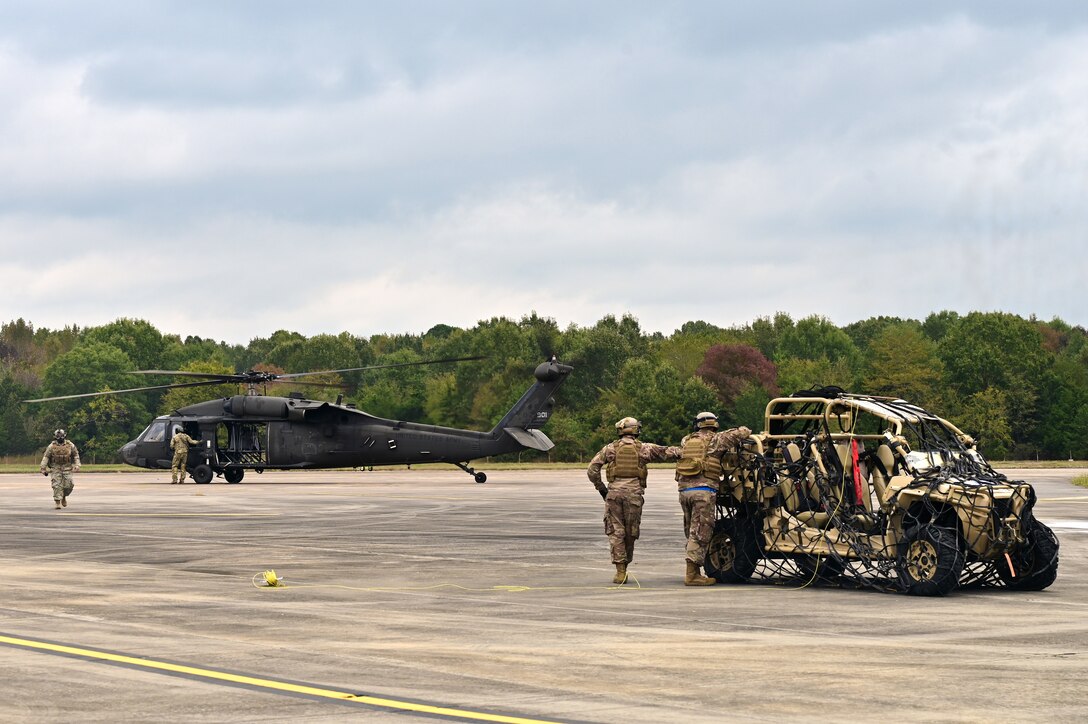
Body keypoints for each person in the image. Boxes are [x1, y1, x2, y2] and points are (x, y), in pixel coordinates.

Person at [587, 417, 681, 584]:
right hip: (634, 496)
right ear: (636, 430)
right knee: (631, 532)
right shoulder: (644, 448)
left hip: (614, 495)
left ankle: (620, 570)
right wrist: (688, 450)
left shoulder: (610, 449)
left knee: (616, 532)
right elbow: (667, 452)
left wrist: (601, 488)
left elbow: (592, 469)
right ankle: (625, 563)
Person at [674, 412, 751, 586]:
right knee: (700, 533)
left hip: (685, 491)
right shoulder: (717, 439)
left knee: (691, 530)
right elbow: (743, 432)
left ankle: (694, 571)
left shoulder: (687, 440)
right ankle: (692, 575)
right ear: (714, 425)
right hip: (703, 492)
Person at [40, 429, 80, 509]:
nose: (60, 437)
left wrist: (77, 465)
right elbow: (46, 457)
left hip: (67, 468)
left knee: (69, 485)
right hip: (56, 468)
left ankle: (64, 496)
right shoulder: (51, 446)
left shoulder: (70, 445)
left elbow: (75, 455)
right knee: (56, 485)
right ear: (55, 437)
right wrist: (43, 468)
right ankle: (57, 502)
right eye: (58, 436)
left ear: (64, 435)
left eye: (61, 436)